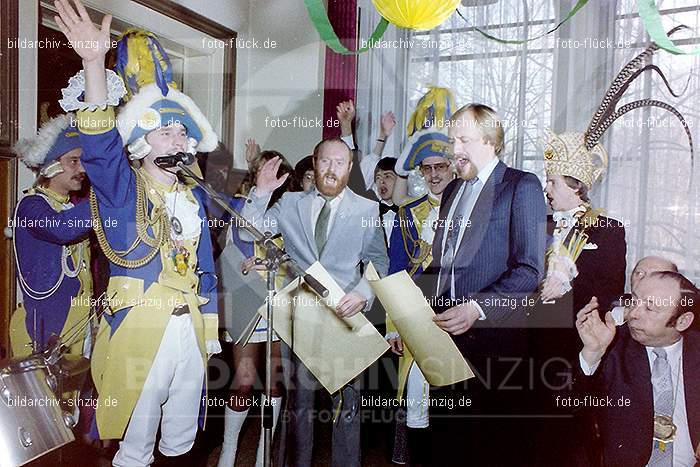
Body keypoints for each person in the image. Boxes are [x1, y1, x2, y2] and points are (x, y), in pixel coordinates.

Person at [54, 3, 220, 465]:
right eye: (165, 132)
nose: (178, 139)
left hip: (191, 326)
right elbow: (101, 148)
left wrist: (209, 330)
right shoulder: (122, 190)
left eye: (182, 133)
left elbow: (206, 269)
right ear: (142, 144)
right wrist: (92, 64)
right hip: (140, 326)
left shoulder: (194, 198)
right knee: (134, 445)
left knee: (183, 442)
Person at [238, 137, 389, 467]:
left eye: (339, 162)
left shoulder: (366, 209)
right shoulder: (290, 204)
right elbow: (250, 233)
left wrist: (363, 294)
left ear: (349, 168)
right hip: (302, 314)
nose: (331, 169)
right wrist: (261, 193)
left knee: (347, 408)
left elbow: (379, 261)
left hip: (346, 317)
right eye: (325, 161)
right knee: (299, 405)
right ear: (315, 163)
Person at [421, 103, 547, 466]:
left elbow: (529, 270)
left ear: (490, 141)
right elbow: (439, 267)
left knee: (488, 447)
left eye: (463, 140)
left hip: (494, 346)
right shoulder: (451, 192)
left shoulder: (522, 186)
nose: (454, 150)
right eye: (451, 141)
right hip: (443, 341)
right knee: (445, 443)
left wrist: (476, 308)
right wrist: (407, 312)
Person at [575, 271, 700, 467]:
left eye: (650, 308)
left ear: (683, 321)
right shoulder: (612, 345)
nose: (633, 314)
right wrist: (592, 353)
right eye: (633, 301)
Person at [217, 150, 294, 467]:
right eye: (260, 170)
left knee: (274, 381)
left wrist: (282, 263)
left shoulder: (290, 210)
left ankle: (265, 452)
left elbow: (297, 256)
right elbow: (242, 235)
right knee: (244, 379)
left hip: (277, 299)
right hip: (247, 300)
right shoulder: (239, 205)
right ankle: (228, 451)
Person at [384, 131, 454, 465]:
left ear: (453, 166)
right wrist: (394, 327)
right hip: (416, 320)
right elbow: (395, 273)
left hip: (458, 318)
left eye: (441, 166)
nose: (435, 174)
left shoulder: (472, 209)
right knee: (416, 404)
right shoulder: (407, 213)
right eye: (427, 169)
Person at [10, 113, 93, 358]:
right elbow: (62, 229)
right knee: (46, 397)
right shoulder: (29, 205)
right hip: (45, 326)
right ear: (51, 166)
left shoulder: (72, 206)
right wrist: (105, 191)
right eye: (74, 161)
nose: (83, 169)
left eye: (84, 161)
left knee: (76, 394)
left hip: (80, 320)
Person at [611, 256, 678, 325]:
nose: (644, 280)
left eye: (656, 276)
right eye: (639, 273)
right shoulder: (614, 305)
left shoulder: (676, 320)